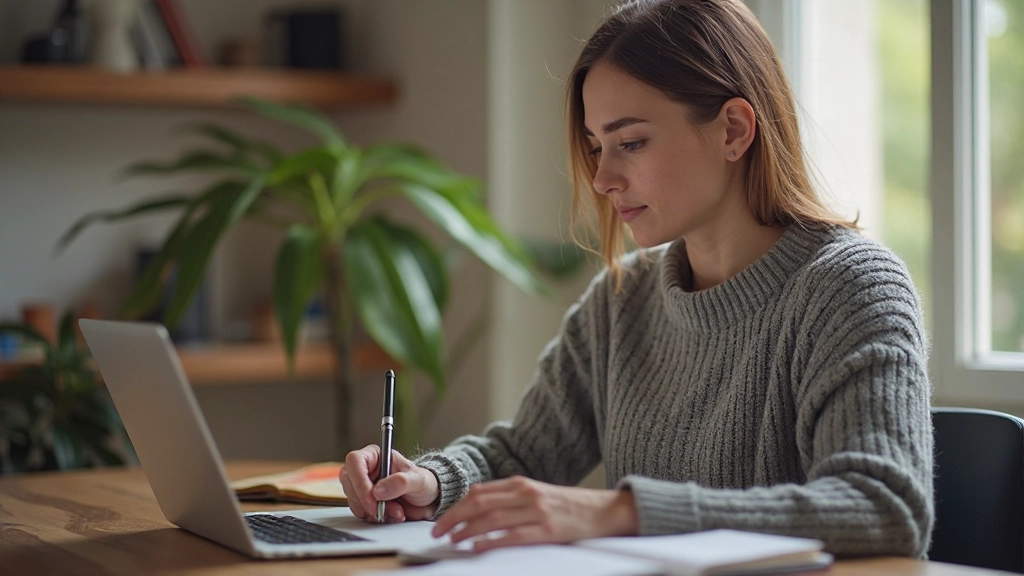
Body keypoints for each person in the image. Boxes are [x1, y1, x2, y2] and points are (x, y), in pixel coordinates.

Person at [339, 0, 933, 559]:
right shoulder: (621, 301)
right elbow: (521, 454)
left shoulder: (852, 289)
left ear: (733, 130)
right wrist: (430, 481)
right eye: (597, 147)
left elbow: (884, 508)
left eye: (631, 142)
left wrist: (623, 511)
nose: (603, 179)